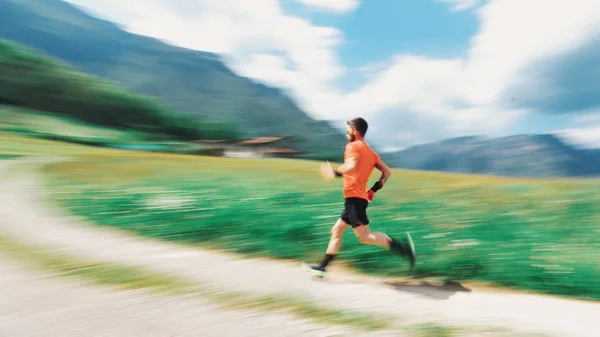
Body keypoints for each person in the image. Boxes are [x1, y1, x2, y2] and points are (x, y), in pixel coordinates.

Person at [302, 117, 416, 278]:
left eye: (348, 129)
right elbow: (387, 172)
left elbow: (351, 166)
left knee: (364, 237)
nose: (346, 132)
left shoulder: (352, 146)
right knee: (337, 230)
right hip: (357, 198)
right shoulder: (370, 152)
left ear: (355, 131)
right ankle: (322, 267)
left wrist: (333, 172)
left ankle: (404, 249)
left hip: (354, 198)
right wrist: (374, 189)